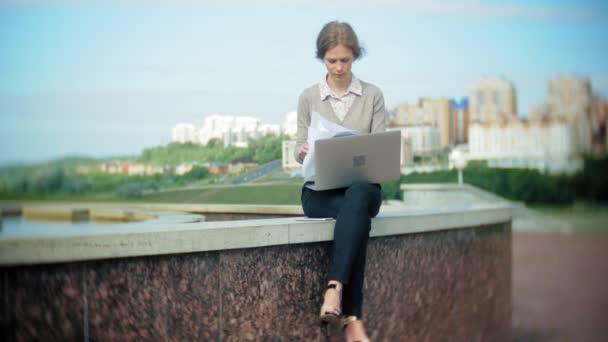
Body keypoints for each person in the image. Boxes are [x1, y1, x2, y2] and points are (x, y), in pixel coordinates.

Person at [294, 21, 385, 342]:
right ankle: (352, 320)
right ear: (322, 59)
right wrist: (303, 151)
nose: (339, 67)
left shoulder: (372, 95)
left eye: (345, 60)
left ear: (355, 57)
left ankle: (334, 289)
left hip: (362, 189)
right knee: (355, 216)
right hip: (320, 192)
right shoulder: (308, 97)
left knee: (358, 198)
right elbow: (297, 149)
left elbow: (379, 149)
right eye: (332, 60)